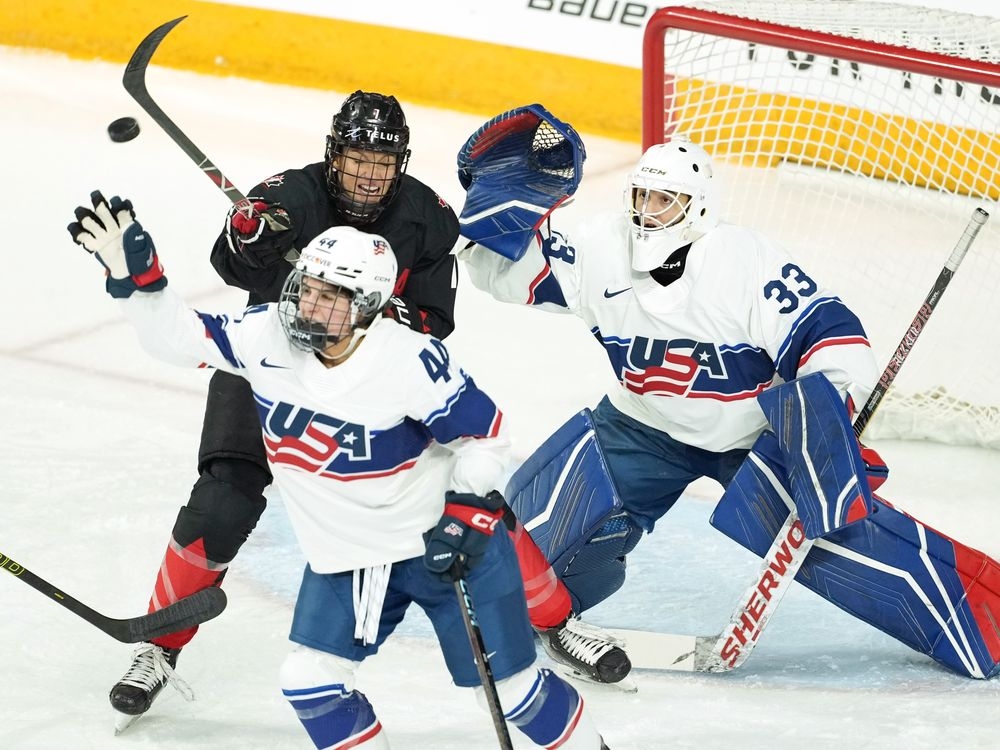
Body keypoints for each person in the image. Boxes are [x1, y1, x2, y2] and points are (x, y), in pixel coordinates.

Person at [68, 194, 612, 749]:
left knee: (511, 691)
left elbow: (486, 436)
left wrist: (467, 510)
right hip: (351, 557)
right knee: (310, 682)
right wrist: (139, 281)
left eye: (331, 296)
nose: (309, 305)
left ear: (369, 305)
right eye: (307, 287)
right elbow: (177, 338)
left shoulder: (410, 360)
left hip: (446, 549)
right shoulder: (265, 339)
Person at [457, 134, 883, 682]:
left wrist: (830, 422)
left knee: (852, 543)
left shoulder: (744, 261)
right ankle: (560, 621)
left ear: (698, 206)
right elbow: (506, 274)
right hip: (642, 425)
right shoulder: (600, 248)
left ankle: (971, 610)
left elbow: (830, 333)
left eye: (664, 201)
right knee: (524, 568)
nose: (646, 212)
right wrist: (496, 211)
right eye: (640, 196)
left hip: (749, 438)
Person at [103, 91, 462, 719]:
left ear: (400, 164)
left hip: (370, 383)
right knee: (223, 497)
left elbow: (435, 320)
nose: (369, 178)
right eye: (357, 161)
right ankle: (160, 646)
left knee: (452, 501)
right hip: (271, 363)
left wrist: (385, 317)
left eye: (382, 164)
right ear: (334, 155)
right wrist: (246, 237)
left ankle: (537, 621)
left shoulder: (429, 217)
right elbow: (234, 267)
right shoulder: (291, 196)